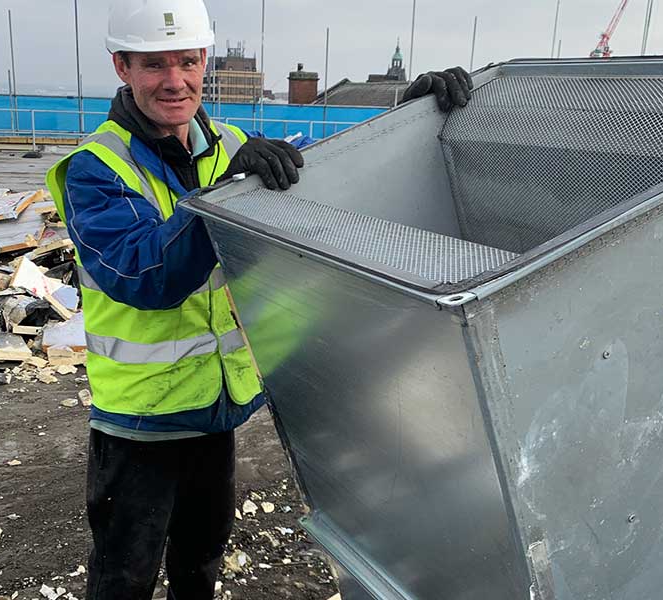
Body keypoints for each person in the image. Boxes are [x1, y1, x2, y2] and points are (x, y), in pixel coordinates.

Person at [45, 0, 473, 596]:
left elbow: (330, 195)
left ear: (204, 63)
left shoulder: (232, 144)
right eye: (154, 65)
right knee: (124, 576)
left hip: (216, 409)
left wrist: (411, 121)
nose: (175, 81)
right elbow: (145, 276)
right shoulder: (95, 169)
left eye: (188, 62)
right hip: (141, 423)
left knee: (200, 565)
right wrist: (224, 195)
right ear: (122, 67)